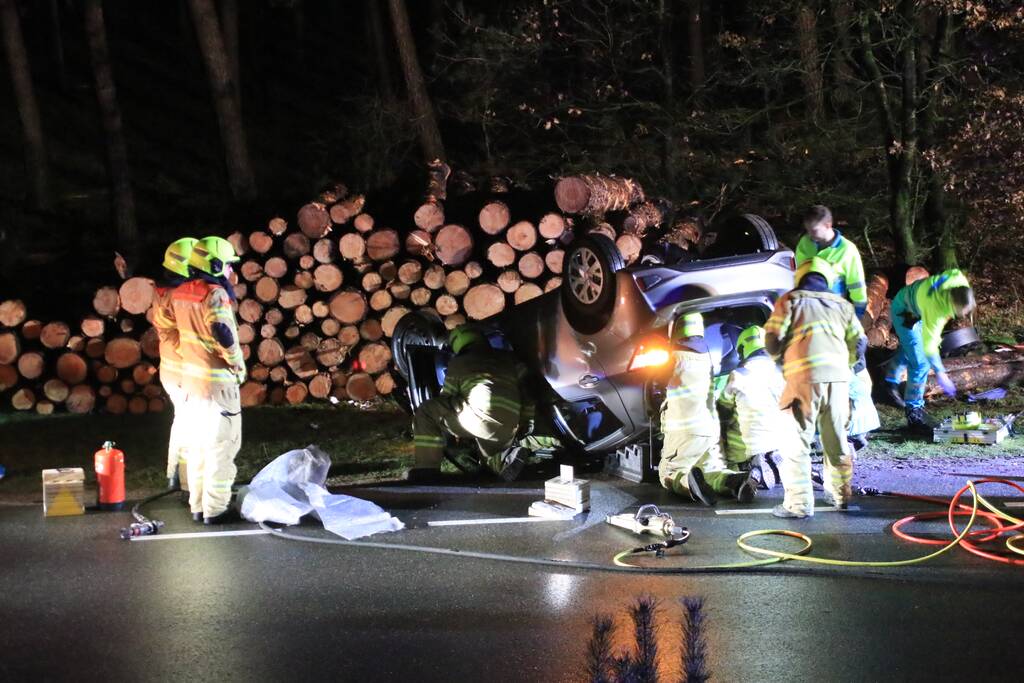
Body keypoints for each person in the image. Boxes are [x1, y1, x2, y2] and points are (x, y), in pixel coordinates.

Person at [765, 257, 866, 518]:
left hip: (803, 381)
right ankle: (841, 497)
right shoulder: (842, 305)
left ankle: (798, 506)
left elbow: (772, 337)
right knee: (837, 441)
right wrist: (848, 365)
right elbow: (861, 342)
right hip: (839, 382)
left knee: (795, 442)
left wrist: (781, 363)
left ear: (800, 277)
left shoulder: (791, 300)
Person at [169, 236, 245, 524]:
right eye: (227, 265)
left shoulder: (182, 292)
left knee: (199, 448)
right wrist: (236, 364)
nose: (230, 272)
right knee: (222, 448)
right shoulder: (214, 294)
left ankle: (198, 506)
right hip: (217, 386)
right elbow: (222, 330)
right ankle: (217, 509)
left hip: (192, 384)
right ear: (214, 265)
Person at [795, 205, 879, 448]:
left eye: (815, 231)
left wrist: (858, 315)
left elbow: (856, 285)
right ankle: (829, 430)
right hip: (813, 316)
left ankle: (855, 428)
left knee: (850, 372)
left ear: (829, 226)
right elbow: (801, 277)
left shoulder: (847, 251)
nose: (811, 236)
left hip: (837, 317)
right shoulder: (805, 244)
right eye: (808, 231)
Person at [408, 325, 534, 482]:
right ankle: (503, 460)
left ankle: (425, 471)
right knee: (489, 450)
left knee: (427, 411)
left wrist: (451, 428)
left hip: (480, 422)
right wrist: (527, 421)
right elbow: (528, 393)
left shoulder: (459, 363)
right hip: (510, 425)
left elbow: (447, 397)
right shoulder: (510, 359)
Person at [659, 312, 754, 506]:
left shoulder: (672, 358)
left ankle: (689, 484)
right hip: (709, 428)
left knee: (669, 472)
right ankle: (734, 481)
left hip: (684, 430)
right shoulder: (707, 359)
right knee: (710, 469)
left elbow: (652, 382)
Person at [883, 269, 976, 430]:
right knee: (921, 363)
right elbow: (929, 346)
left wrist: (937, 283)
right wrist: (940, 373)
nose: (961, 315)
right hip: (903, 312)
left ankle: (890, 378)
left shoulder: (959, 282)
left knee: (912, 349)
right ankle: (914, 412)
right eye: (958, 311)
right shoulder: (935, 309)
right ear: (952, 303)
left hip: (916, 308)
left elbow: (953, 272)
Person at [717, 325, 789, 489]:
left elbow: (723, 408)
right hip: (781, 438)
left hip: (750, 444)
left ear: (742, 349)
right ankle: (775, 460)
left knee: (732, 418)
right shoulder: (780, 374)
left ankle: (749, 469)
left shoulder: (737, 375)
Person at [151, 237, 197, 494]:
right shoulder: (175, 296)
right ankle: (187, 480)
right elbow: (181, 335)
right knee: (190, 424)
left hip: (175, 368)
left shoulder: (165, 293)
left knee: (182, 421)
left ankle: (174, 475)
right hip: (183, 369)